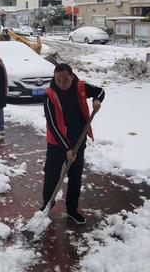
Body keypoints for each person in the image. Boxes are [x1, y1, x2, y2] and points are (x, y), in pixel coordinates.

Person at [41, 63, 105, 225]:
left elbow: (101, 91)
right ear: (54, 78)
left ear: (72, 76)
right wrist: (66, 148)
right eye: (59, 80)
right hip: (57, 143)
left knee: (75, 176)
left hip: (78, 140)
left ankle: (72, 209)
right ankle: (47, 205)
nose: (62, 83)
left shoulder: (80, 87)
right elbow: (53, 126)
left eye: (66, 80)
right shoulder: (49, 96)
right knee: (52, 175)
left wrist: (97, 100)